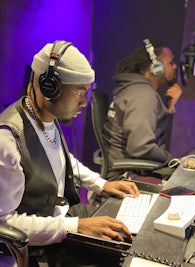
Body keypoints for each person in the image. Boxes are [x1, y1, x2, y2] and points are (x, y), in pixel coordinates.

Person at [0, 40, 140, 267]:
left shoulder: (45, 118)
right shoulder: (8, 139)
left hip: (61, 220)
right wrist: (78, 226)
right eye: (79, 92)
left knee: (129, 235)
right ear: (49, 88)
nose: (85, 102)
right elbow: (6, 224)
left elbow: (61, 159)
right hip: (40, 244)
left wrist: (101, 184)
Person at [102, 38, 183, 181]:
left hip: (132, 170)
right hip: (128, 177)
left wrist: (168, 108)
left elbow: (150, 136)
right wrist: (174, 161)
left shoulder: (135, 90)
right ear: (156, 66)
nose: (175, 66)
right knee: (187, 181)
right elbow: (141, 148)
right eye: (171, 62)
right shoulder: (143, 95)